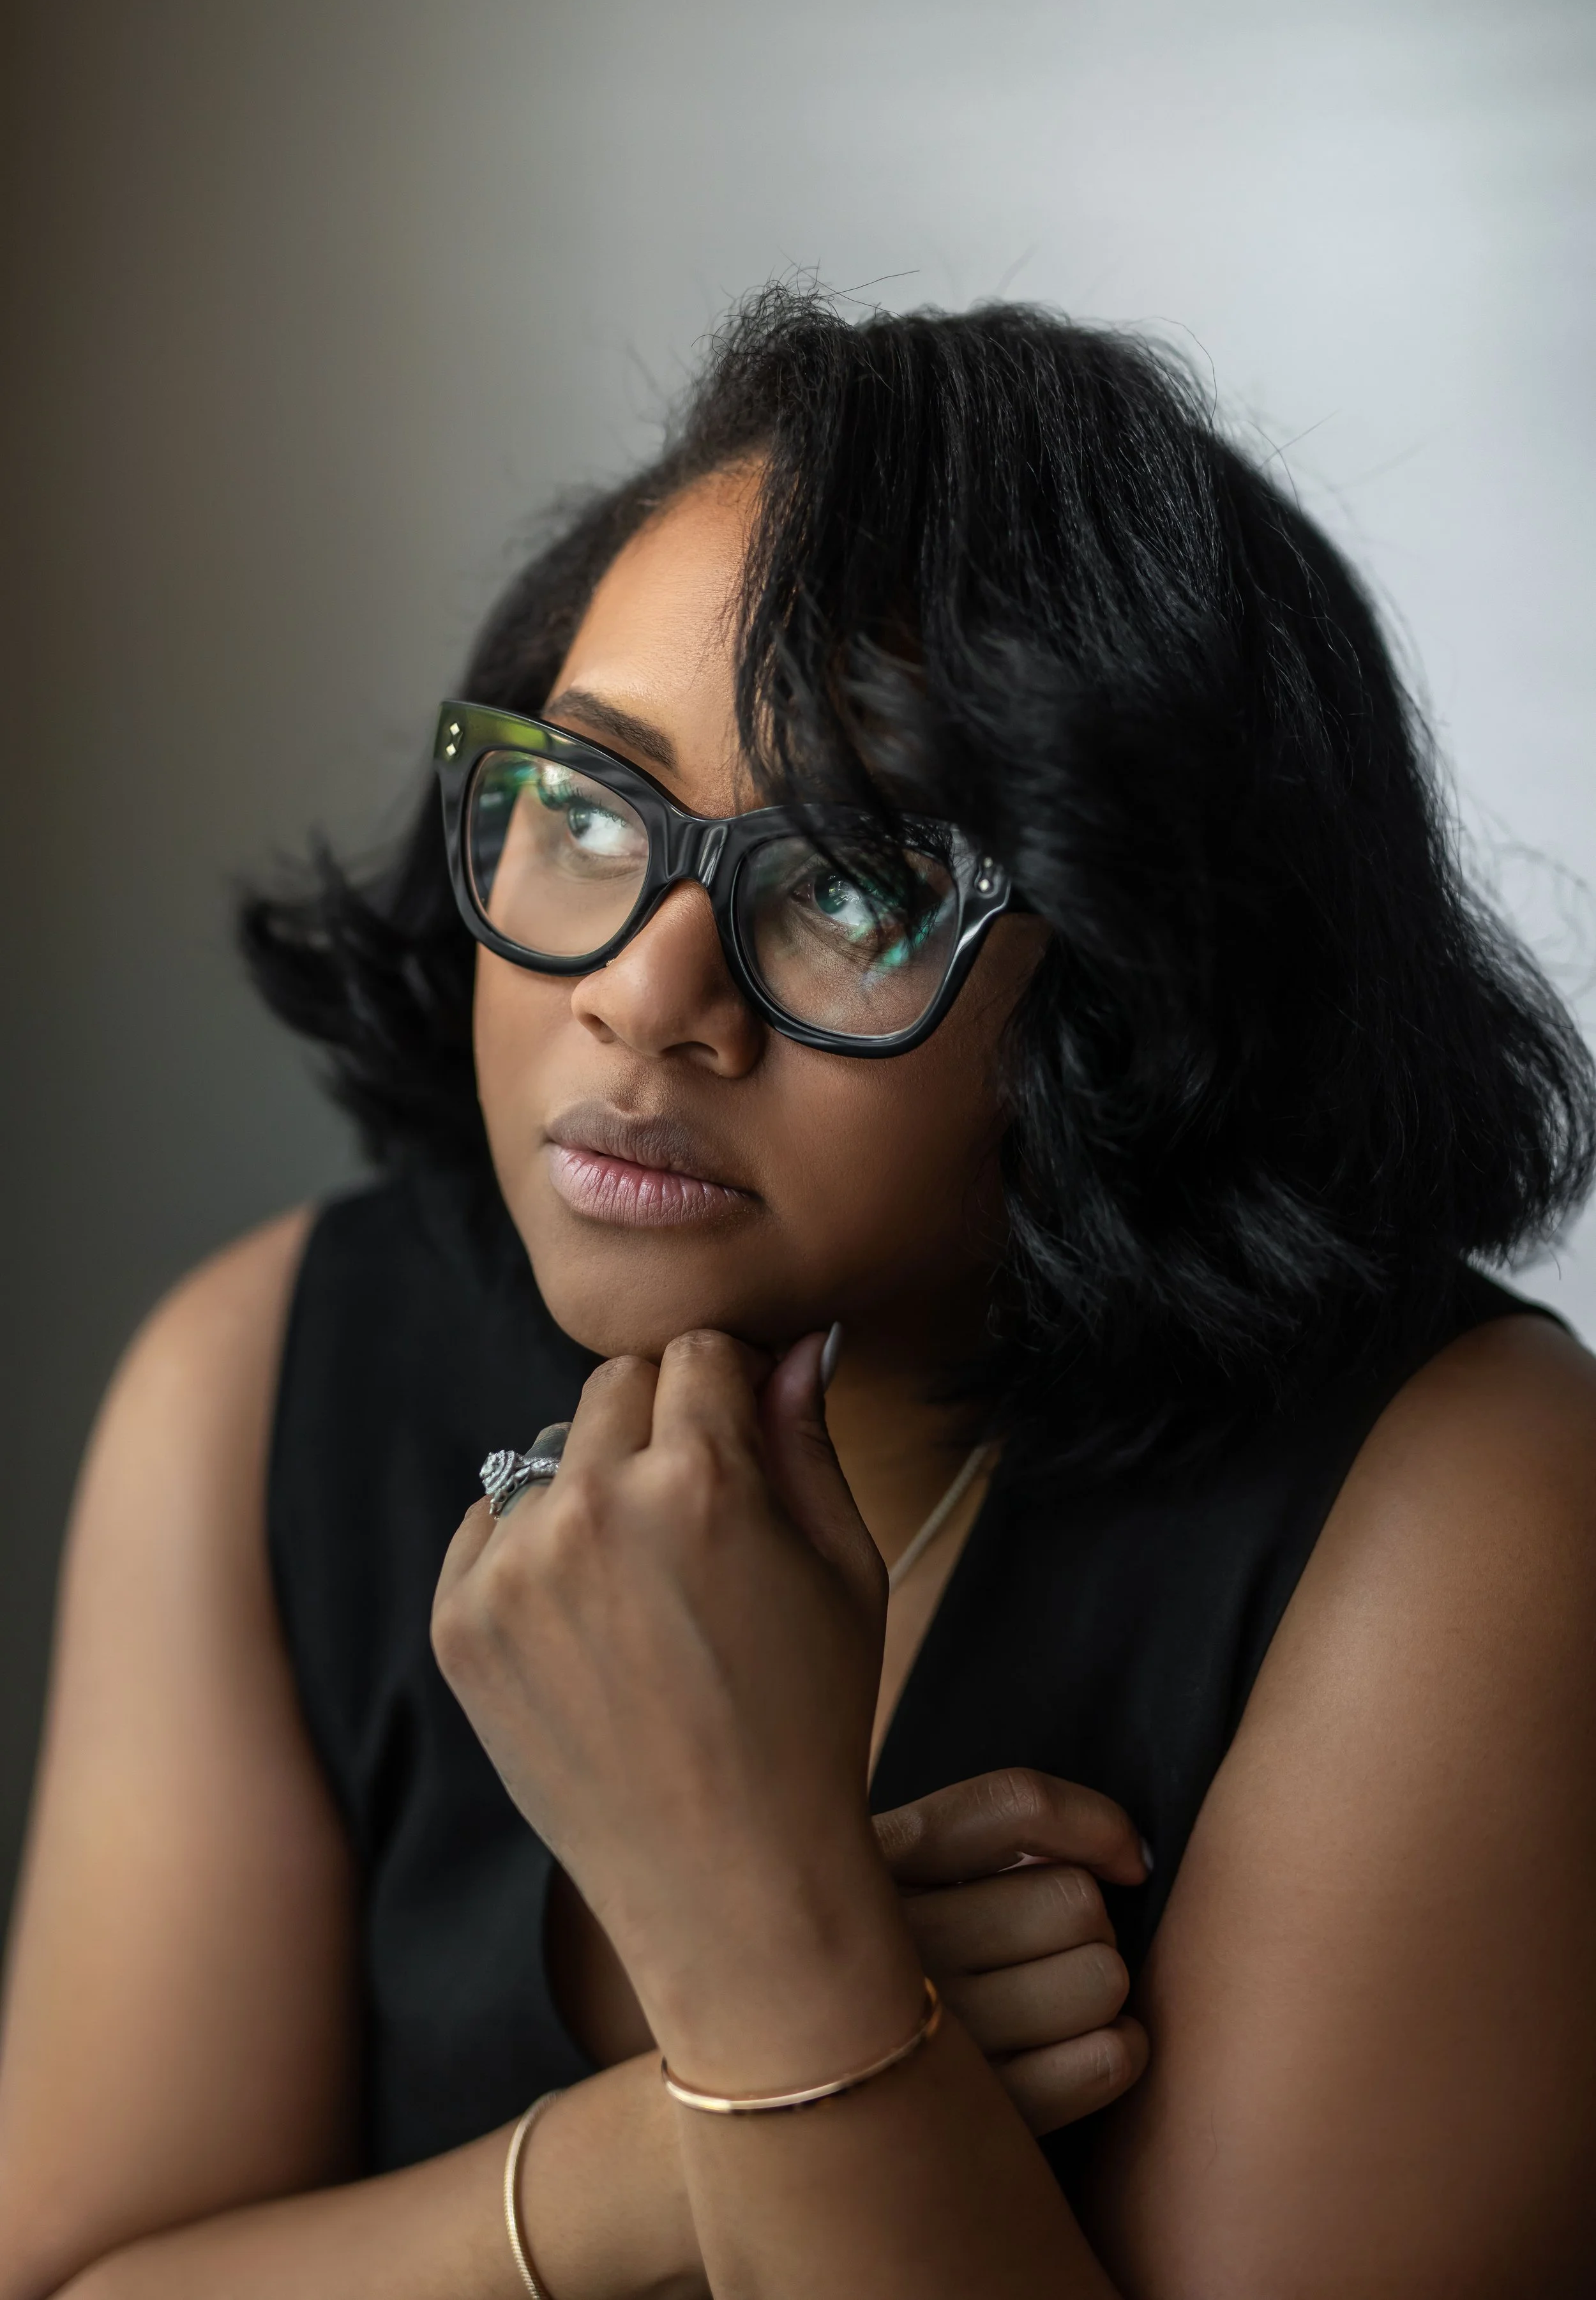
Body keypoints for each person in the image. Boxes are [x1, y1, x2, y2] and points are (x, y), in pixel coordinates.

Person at [4, 289, 1596, 2300]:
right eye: (586, 806)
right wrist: (672, 2140)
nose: (641, 992)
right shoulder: (257, 1380)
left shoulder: (1461, 1507)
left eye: (849, 878)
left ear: (1135, 969)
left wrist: (753, 1915)